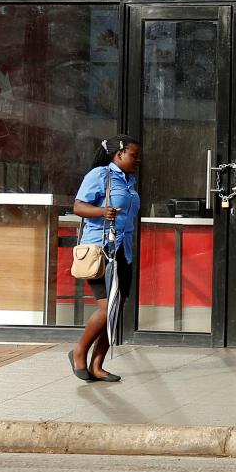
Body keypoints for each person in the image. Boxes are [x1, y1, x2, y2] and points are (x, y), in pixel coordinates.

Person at [70, 134, 141, 383]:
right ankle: (79, 352)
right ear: (119, 154)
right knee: (105, 307)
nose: (138, 160)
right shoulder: (100, 175)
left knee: (117, 308)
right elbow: (78, 206)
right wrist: (102, 211)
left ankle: (97, 364)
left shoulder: (129, 181)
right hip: (100, 251)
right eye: (134, 155)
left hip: (123, 252)